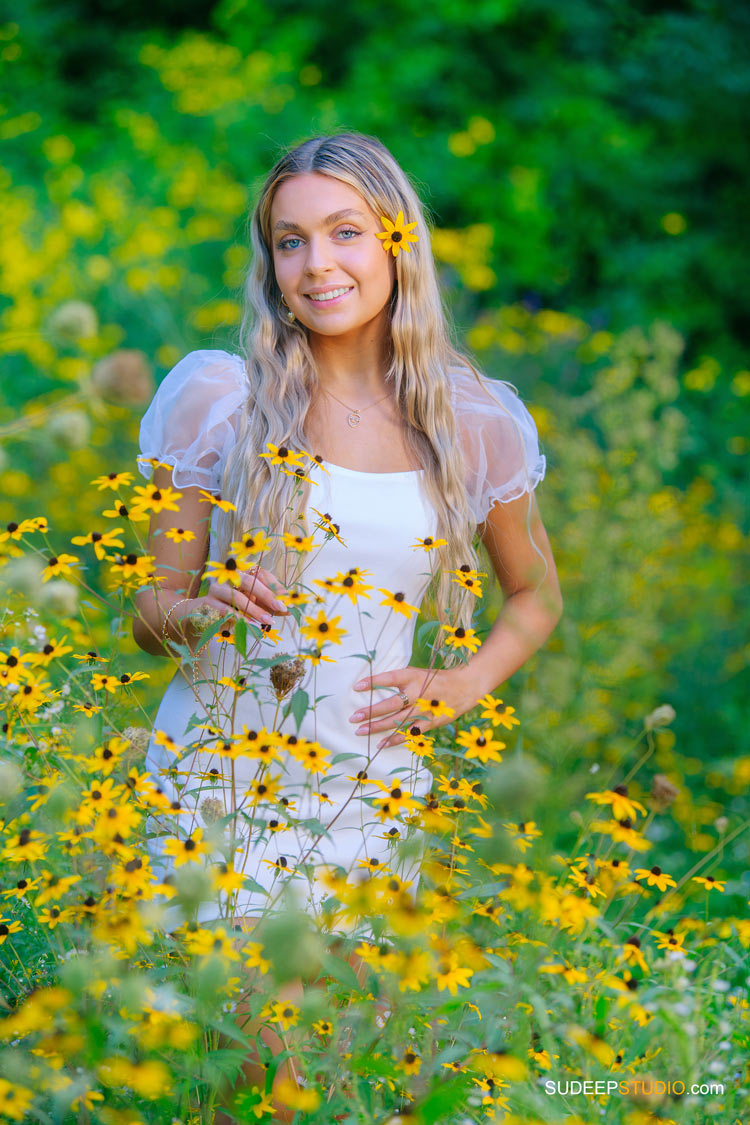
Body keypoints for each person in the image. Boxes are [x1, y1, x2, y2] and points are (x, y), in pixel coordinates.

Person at [132, 130, 562, 1118]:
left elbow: (536, 598)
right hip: (221, 785)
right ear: (268, 260)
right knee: (258, 1082)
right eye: (290, 242)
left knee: (357, 1083)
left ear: (398, 239)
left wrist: (461, 684)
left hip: (369, 784)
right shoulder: (219, 397)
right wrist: (194, 612)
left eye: (344, 233)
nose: (317, 264)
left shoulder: (475, 419)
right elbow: (148, 609)